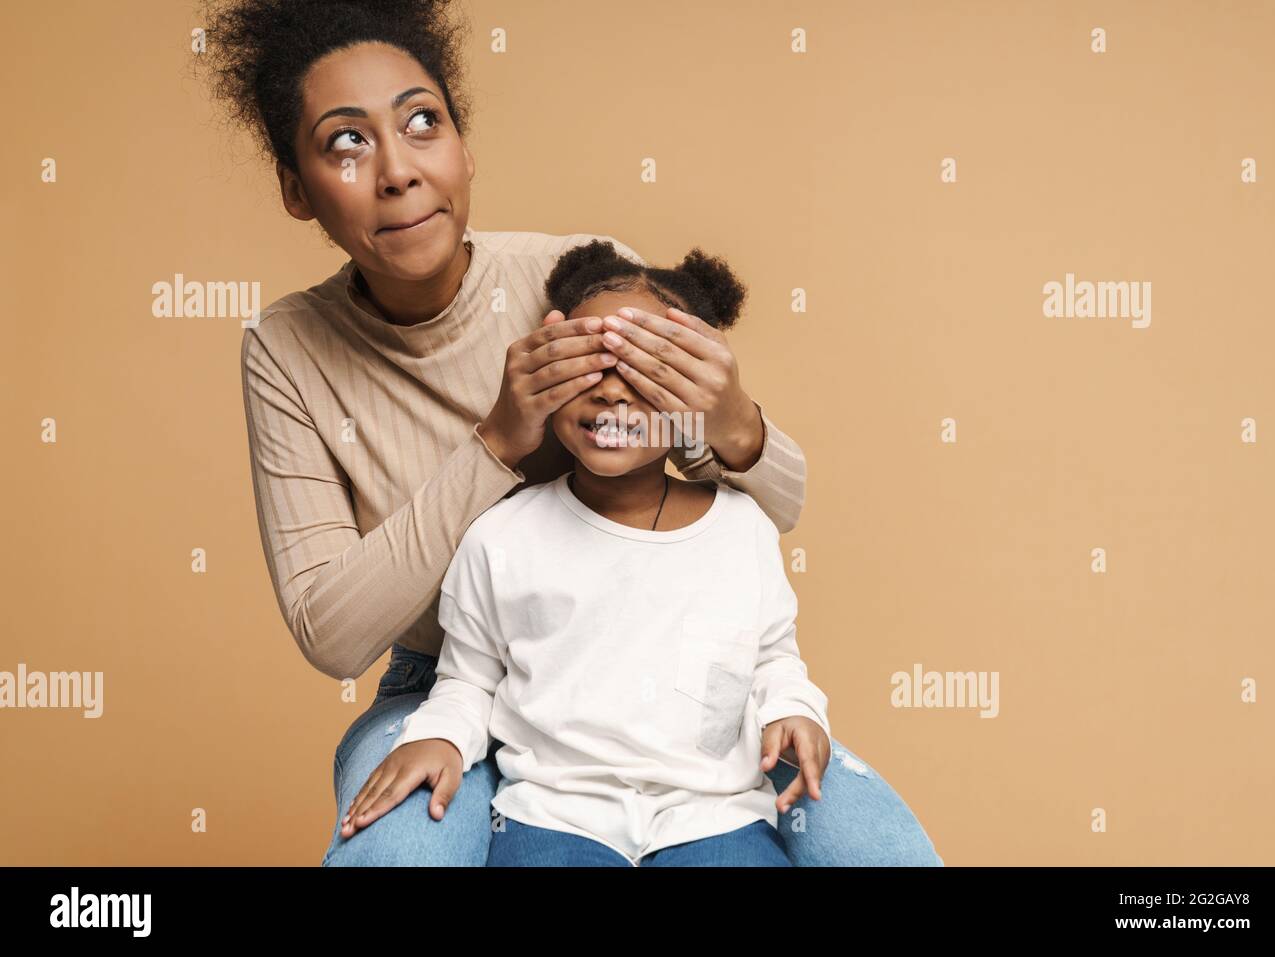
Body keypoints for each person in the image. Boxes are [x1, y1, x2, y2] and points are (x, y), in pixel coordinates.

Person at [200, 0, 942, 865]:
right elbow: (332, 633)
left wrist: (732, 418)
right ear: (296, 187)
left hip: (670, 687)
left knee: (876, 848)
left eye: (422, 123)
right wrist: (495, 445)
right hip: (453, 679)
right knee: (397, 853)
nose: (398, 170)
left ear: (464, 148)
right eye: (346, 142)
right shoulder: (286, 348)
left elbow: (768, 507)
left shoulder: (574, 276)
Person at [341, 242, 830, 866]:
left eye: (646, 372)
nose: (613, 396)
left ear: (694, 395)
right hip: (553, 815)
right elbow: (468, 679)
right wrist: (439, 737)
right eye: (591, 365)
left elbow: (772, 658)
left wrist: (792, 710)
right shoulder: (500, 536)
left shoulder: (742, 530)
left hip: (714, 817)